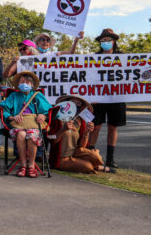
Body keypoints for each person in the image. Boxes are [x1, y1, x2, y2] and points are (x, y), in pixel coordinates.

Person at [0, 71, 51, 178]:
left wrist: (43, 115)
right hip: (18, 124)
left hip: (34, 124)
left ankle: (31, 166)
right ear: (18, 84)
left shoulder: (38, 95)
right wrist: (12, 117)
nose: (25, 84)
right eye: (22, 81)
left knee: (32, 135)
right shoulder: (13, 95)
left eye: (27, 82)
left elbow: (49, 110)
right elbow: (3, 109)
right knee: (21, 135)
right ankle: (23, 166)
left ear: (32, 85)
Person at [87, 28, 126, 168]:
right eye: (103, 40)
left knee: (112, 127)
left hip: (116, 97)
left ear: (114, 41)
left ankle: (110, 158)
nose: (106, 42)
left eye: (109, 40)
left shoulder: (122, 57)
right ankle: (90, 154)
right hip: (98, 98)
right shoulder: (94, 57)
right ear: (100, 42)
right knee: (95, 126)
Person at [50, 95, 116, 174]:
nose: (75, 105)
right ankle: (96, 167)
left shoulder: (80, 121)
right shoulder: (58, 119)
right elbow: (52, 141)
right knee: (88, 167)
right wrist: (62, 130)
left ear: (81, 106)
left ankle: (89, 163)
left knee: (96, 157)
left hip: (75, 154)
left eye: (78, 103)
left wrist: (86, 132)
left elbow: (82, 147)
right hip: (62, 158)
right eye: (72, 102)